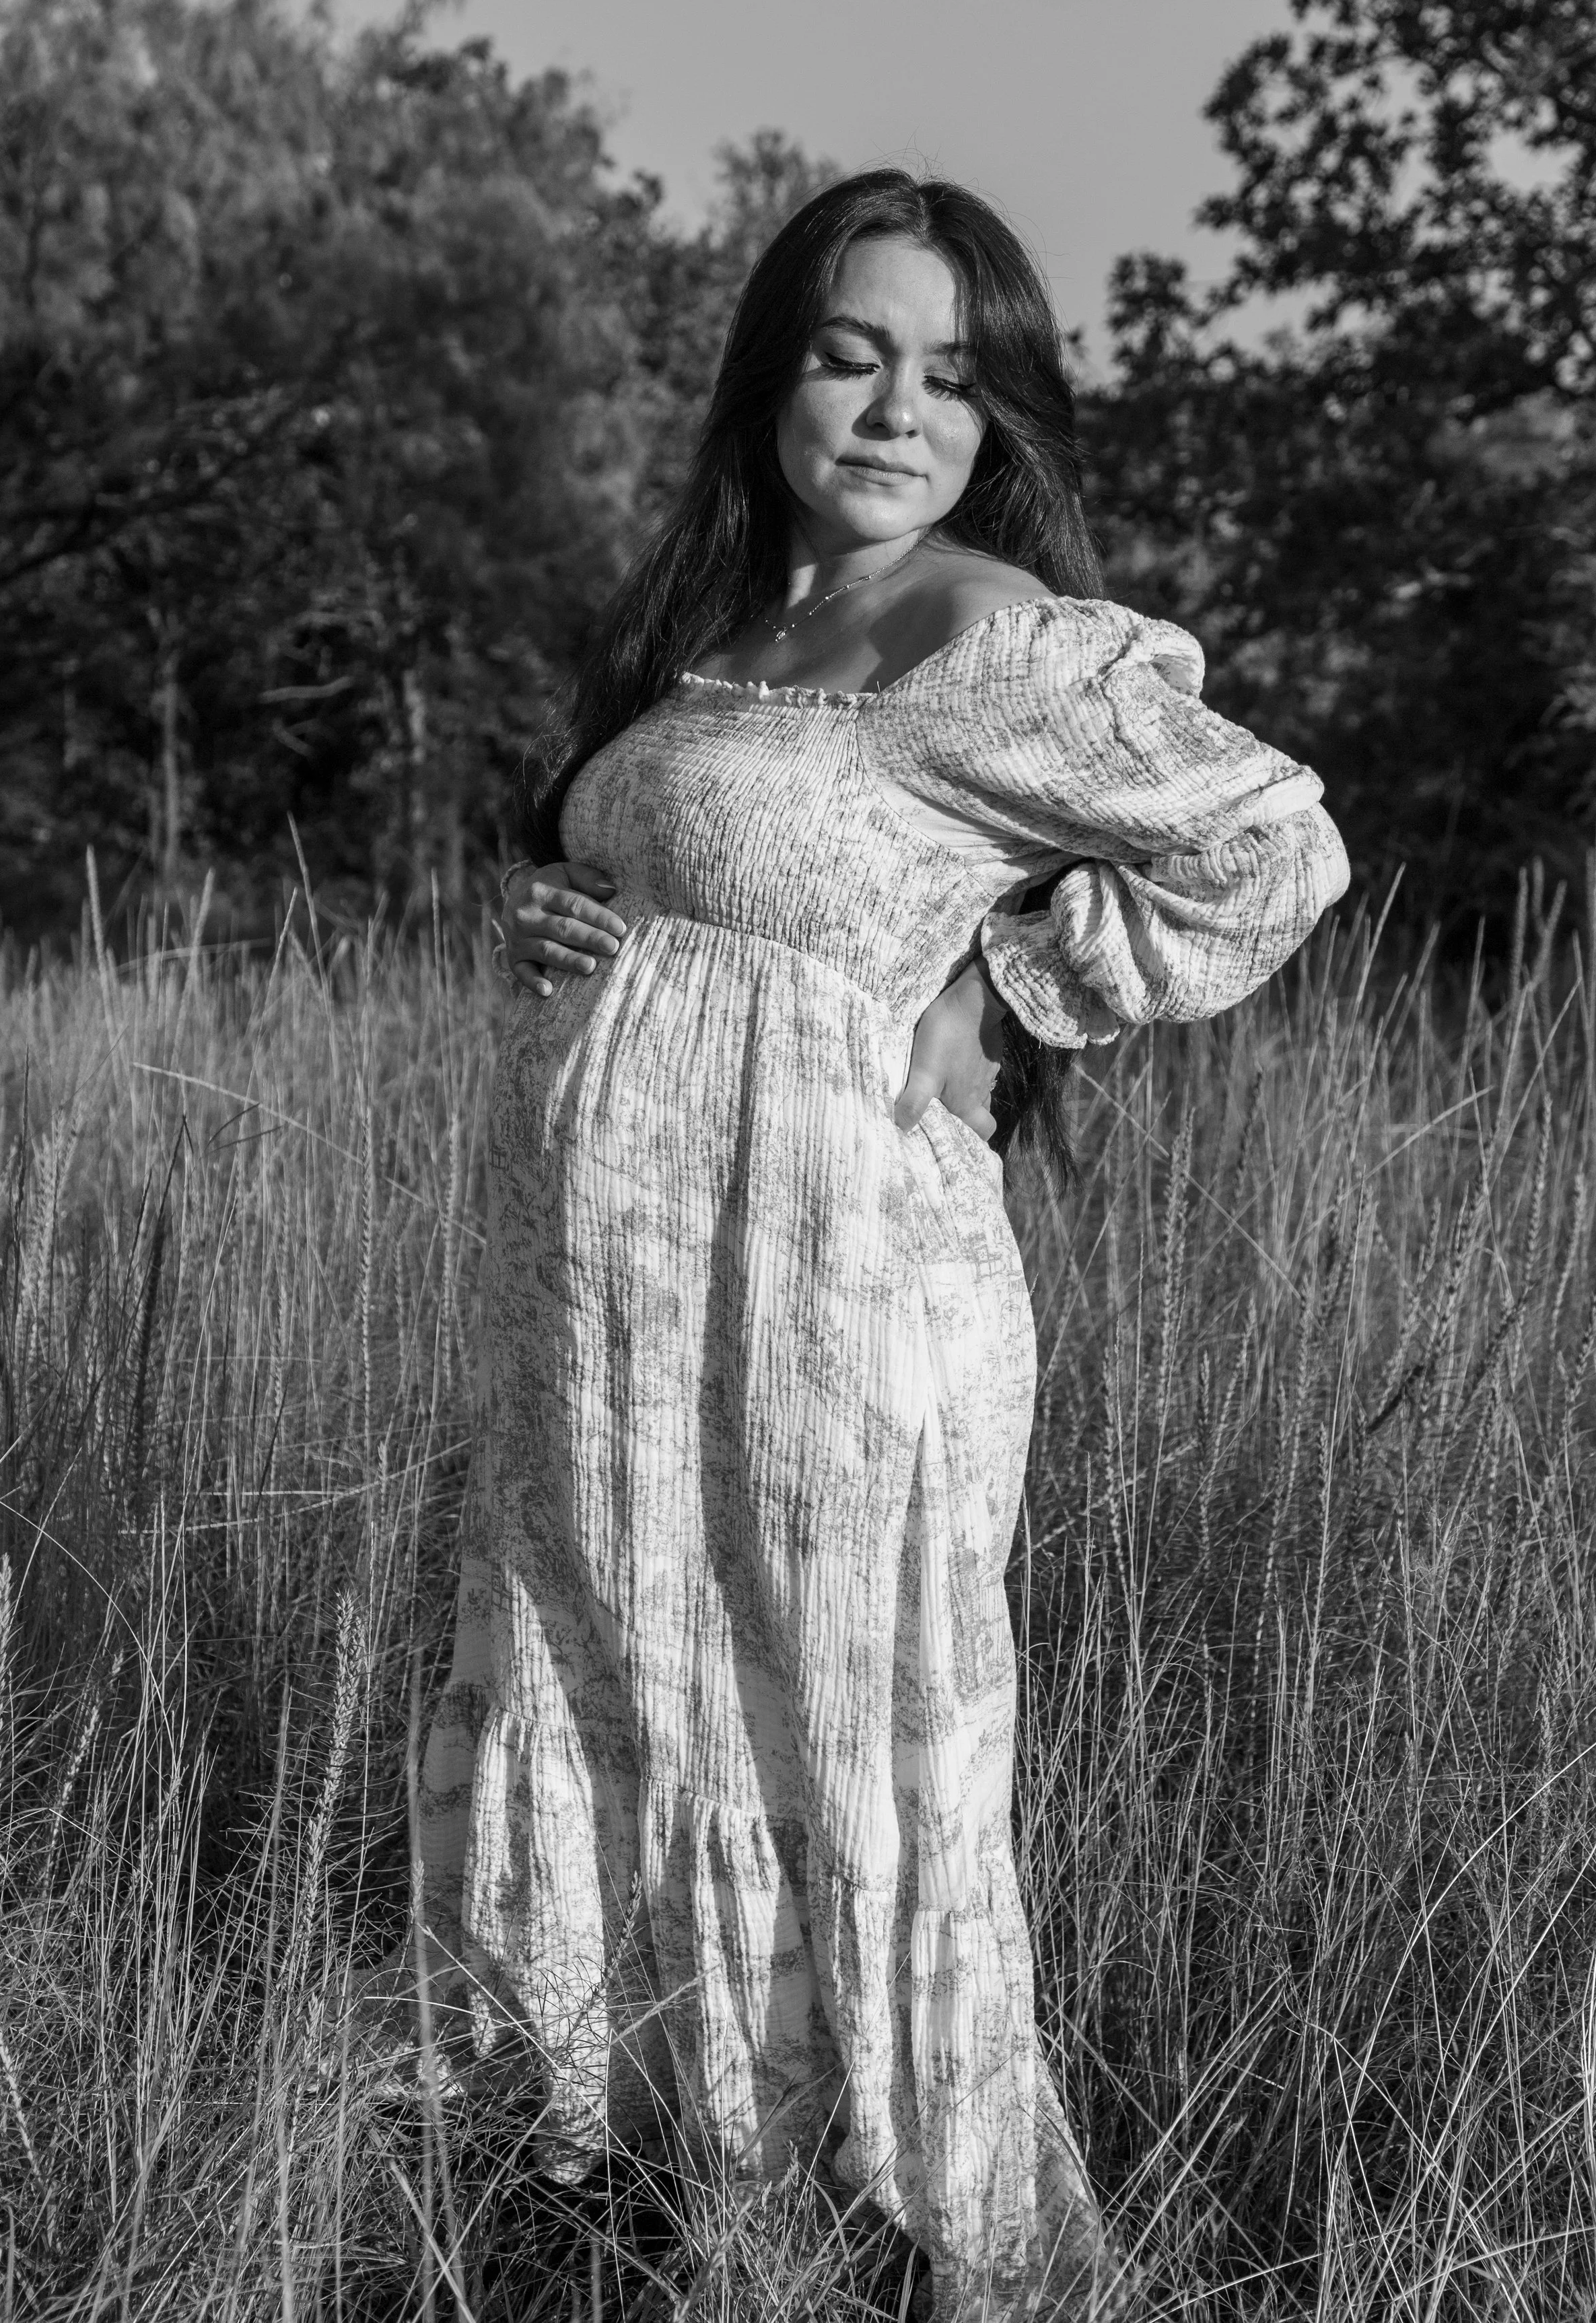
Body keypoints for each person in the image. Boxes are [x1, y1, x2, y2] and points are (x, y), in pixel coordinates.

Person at [413, 172, 1349, 2317]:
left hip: (838, 1286)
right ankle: (669, 2189)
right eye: (850, 350)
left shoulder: (983, 632)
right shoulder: (719, 639)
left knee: (852, 1726)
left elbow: (1270, 846)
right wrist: (553, 914)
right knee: (635, 1693)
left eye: (949, 368)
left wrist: (1012, 993)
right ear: (773, 375)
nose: (895, 405)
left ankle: (950, 2242)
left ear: (997, 410)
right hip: (611, 1323)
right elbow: (677, 873)